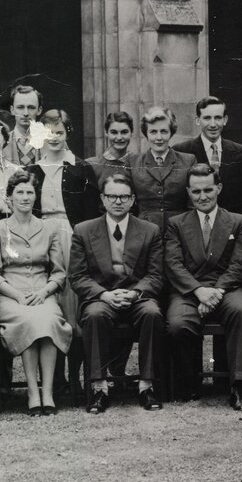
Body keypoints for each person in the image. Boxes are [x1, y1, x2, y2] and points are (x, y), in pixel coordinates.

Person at [70, 173, 166, 413]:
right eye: (112, 196)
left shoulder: (149, 230)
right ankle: (99, 387)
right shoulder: (83, 230)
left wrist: (135, 294)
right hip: (101, 297)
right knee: (94, 315)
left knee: (152, 313)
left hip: (136, 297)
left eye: (124, 196)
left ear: (133, 199)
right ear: (102, 199)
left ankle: (147, 386)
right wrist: (104, 295)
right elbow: (77, 276)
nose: (118, 201)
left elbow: (155, 275)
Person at [165, 164, 242, 411]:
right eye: (196, 192)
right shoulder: (176, 223)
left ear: (219, 188)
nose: (202, 197)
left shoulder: (237, 221)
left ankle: (240, 385)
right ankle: (188, 382)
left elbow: (239, 264)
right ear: (188, 192)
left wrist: (216, 292)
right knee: (177, 323)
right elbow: (173, 264)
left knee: (241, 311)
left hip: (226, 288)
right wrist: (198, 291)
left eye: (208, 190)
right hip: (190, 290)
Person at [0, 170, 72, 416]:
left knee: (49, 319)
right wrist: (16, 295)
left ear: (36, 197)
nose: (25, 197)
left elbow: (58, 272)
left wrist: (45, 292)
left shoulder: (49, 228)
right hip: (12, 296)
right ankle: (33, 392)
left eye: (29, 192)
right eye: (19, 192)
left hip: (42, 293)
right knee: (29, 320)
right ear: (9, 198)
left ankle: (48, 392)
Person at [29, 109, 99, 332]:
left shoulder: (82, 168)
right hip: (41, 237)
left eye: (59, 132)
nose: (55, 137)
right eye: (49, 133)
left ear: (67, 133)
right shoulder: (32, 170)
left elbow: (92, 213)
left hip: (71, 236)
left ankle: (76, 343)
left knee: (71, 291)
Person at [172, 96, 242, 208]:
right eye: (207, 118)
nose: (213, 124)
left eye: (218, 118)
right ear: (198, 120)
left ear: (225, 120)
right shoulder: (180, 151)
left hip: (231, 222)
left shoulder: (240, 152)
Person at [129, 106, 195, 230]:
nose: (159, 138)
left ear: (171, 133)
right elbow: (129, 205)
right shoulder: (133, 162)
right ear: (146, 134)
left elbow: (193, 204)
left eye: (164, 131)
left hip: (179, 230)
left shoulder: (188, 161)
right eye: (153, 132)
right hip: (144, 231)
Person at [85, 111, 136, 186]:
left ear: (132, 132)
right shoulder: (91, 165)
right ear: (106, 133)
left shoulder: (138, 164)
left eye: (124, 132)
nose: (119, 138)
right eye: (114, 132)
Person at [2, 84, 43, 166]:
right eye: (20, 107)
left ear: (39, 110)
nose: (26, 113)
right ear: (12, 110)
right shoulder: (0, 143)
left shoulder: (50, 142)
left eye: (31, 107)